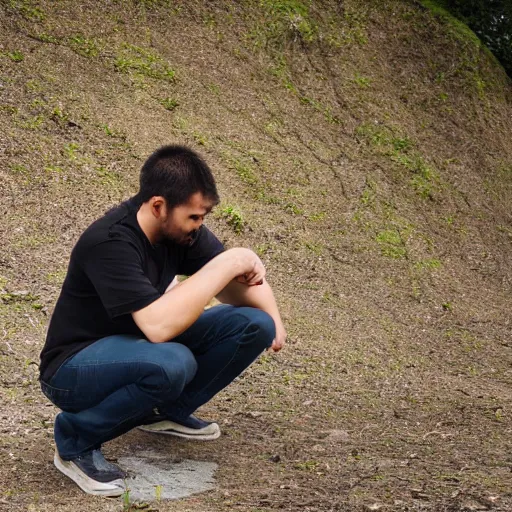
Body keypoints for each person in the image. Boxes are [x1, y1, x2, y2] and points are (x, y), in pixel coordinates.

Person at [39, 145, 286, 497]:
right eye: (195, 217)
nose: (200, 226)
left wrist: (274, 318)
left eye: (203, 217)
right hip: (74, 368)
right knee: (173, 363)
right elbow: (159, 327)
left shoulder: (180, 231)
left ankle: (164, 412)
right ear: (159, 206)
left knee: (253, 324)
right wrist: (231, 261)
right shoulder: (110, 242)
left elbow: (235, 288)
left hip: (138, 348)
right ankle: (76, 439)